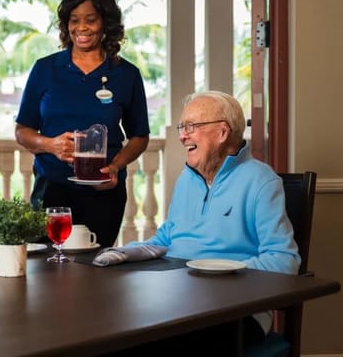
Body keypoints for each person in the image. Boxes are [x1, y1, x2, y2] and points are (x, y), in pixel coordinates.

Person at [124, 90, 301, 355]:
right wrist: (122, 254)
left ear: (222, 132)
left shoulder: (262, 181)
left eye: (191, 126)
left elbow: (284, 261)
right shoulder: (186, 180)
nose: (183, 136)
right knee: (121, 330)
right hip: (179, 303)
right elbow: (166, 238)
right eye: (182, 128)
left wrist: (216, 275)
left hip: (237, 312)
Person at [15, 0, 150, 247]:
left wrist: (115, 166)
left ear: (106, 23)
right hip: (51, 189)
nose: (82, 28)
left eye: (91, 20)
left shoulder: (126, 74)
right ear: (66, 25)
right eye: (74, 20)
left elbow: (140, 136)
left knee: (98, 272)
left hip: (104, 191)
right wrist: (50, 145)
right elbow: (22, 131)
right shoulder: (46, 69)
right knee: (47, 270)